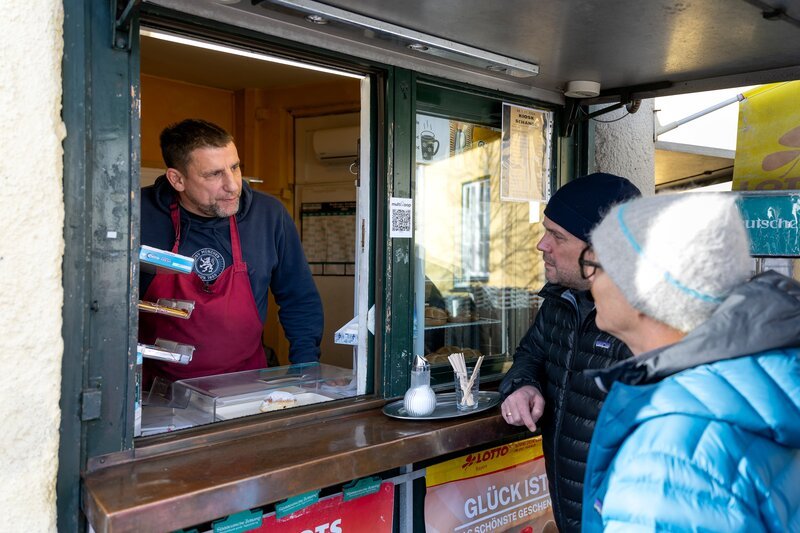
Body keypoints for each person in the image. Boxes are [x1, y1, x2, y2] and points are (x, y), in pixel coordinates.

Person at [582, 192, 800, 531]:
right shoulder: (762, 380)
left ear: (642, 289)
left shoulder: (664, 461)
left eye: (596, 266)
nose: (590, 280)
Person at [498, 172, 641, 532]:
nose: (542, 245)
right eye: (546, 230)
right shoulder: (562, 301)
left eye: (557, 236)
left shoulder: (645, 321)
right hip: (570, 511)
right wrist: (523, 385)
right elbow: (531, 351)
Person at [140, 119, 323, 385]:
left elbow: (299, 298)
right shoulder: (137, 213)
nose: (233, 185)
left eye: (235, 167)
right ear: (177, 179)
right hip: (156, 392)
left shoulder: (268, 215)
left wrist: (307, 371)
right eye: (214, 174)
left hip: (245, 388)